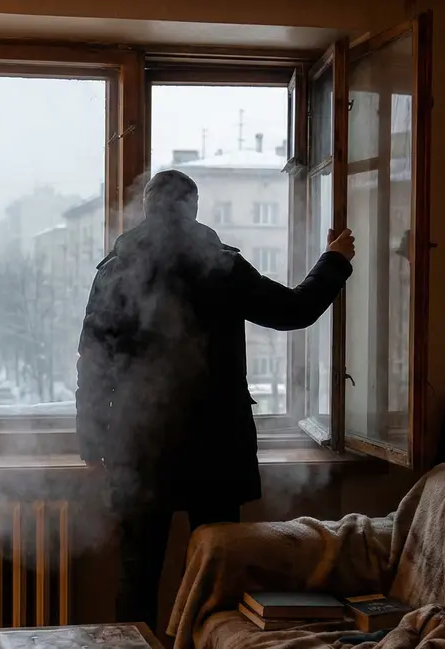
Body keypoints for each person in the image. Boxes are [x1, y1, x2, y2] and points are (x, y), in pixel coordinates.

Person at [75, 169, 355, 627]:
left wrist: (92, 440)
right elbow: (294, 310)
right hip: (214, 448)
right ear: (194, 207)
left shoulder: (116, 271)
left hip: (137, 445)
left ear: (146, 208)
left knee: (137, 575)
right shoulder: (220, 267)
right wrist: (335, 260)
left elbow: (93, 363)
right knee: (217, 572)